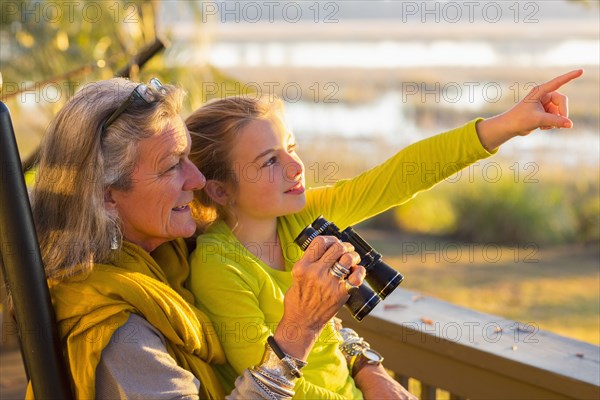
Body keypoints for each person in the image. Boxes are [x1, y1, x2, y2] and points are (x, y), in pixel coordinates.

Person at [185, 69, 583, 399]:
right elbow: (272, 381)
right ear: (220, 189)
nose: (295, 167)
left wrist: (507, 125)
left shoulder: (298, 217)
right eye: (270, 160)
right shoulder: (218, 266)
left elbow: (399, 176)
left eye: (292, 147)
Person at [27, 77, 377, 399]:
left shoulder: (174, 255)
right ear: (106, 196)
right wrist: (299, 330)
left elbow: (298, 320)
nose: (196, 180)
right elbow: (298, 325)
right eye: (171, 166)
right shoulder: (118, 333)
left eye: (188, 157)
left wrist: (365, 364)